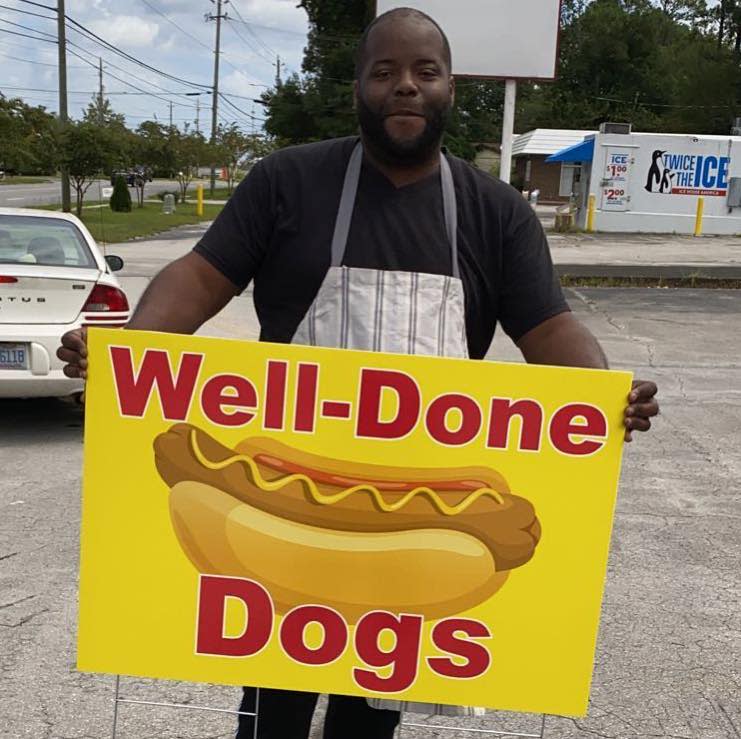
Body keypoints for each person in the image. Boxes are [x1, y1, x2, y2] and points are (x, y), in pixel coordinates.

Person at [58, 7, 659, 738]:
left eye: (424, 71)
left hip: (413, 522)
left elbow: (548, 325)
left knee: (369, 722)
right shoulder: (287, 182)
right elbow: (199, 276)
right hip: (287, 507)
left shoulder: (495, 213)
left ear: (449, 88)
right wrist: (128, 356)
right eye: (384, 71)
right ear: (358, 89)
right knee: (270, 712)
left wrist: (601, 398)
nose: (404, 85)